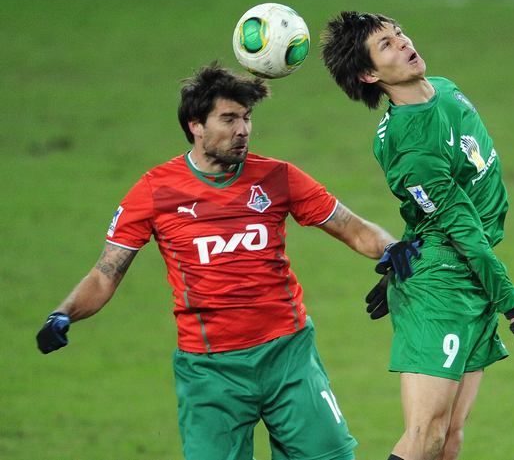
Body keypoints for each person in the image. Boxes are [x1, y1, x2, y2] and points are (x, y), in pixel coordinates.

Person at [36, 63, 419, 460]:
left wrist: (391, 247)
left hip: (288, 356)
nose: (243, 130)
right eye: (229, 119)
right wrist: (63, 314)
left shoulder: (277, 177)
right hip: (210, 372)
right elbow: (105, 274)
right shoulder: (155, 192)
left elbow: (352, 227)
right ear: (195, 126)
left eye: (247, 118)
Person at [321, 12, 514, 460]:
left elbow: (428, 208)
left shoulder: (445, 88)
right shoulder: (412, 145)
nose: (403, 42)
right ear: (369, 74)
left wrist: (405, 255)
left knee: (449, 439)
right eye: (386, 45)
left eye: (399, 33)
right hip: (445, 283)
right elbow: (465, 235)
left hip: (469, 274)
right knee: (426, 436)